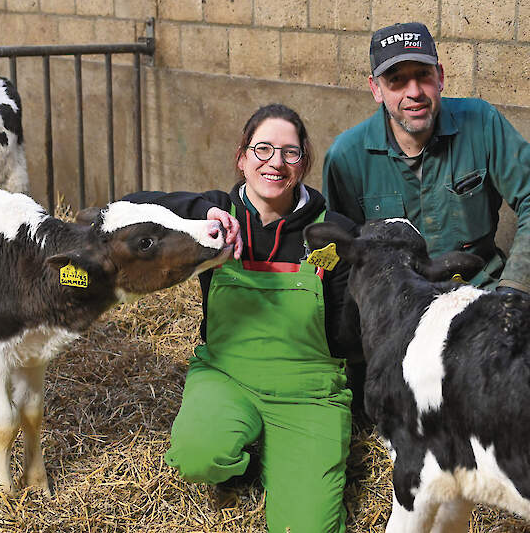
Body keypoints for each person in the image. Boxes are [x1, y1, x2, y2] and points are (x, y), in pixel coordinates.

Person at [124, 104, 360, 533]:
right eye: (263, 149)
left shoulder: (334, 231)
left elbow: (346, 337)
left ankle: (285, 457)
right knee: (198, 456)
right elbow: (127, 208)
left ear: (304, 162)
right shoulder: (213, 214)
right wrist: (199, 210)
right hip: (227, 375)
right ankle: (243, 454)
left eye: (290, 152)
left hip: (308, 393)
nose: (275, 162)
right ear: (242, 157)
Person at [323, 22, 530, 295]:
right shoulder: (346, 156)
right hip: (397, 306)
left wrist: (515, 292)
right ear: (376, 89)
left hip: (477, 295)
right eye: (397, 80)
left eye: (423, 75)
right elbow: (343, 254)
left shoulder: (482, 123)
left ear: (440, 77)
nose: (414, 92)